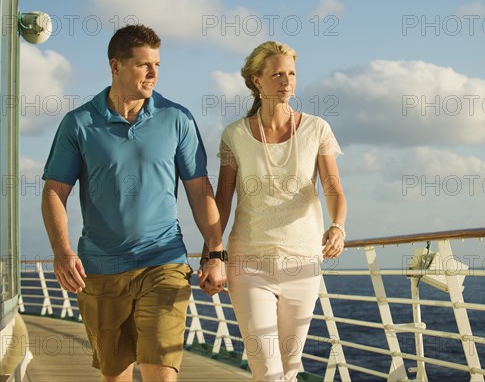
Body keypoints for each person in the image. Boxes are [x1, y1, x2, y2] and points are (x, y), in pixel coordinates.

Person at [41, 24, 226, 382]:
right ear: (116, 66)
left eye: (157, 64)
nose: (154, 73)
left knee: (161, 370)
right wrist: (62, 251)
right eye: (144, 65)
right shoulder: (78, 123)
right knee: (116, 376)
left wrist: (215, 252)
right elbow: (54, 191)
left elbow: (199, 189)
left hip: (163, 262)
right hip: (100, 269)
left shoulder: (177, 119)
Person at [205, 41, 347, 381]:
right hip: (249, 262)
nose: (287, 81)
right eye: (278, 74)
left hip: (303, 262)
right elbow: (223, 199)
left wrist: (338, 226)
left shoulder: (316, 129)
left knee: (289, 368)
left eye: (292, 73)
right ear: (257, 80)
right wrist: (214, 253)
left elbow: (333, 188)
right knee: (267, 370)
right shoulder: (235, 135)